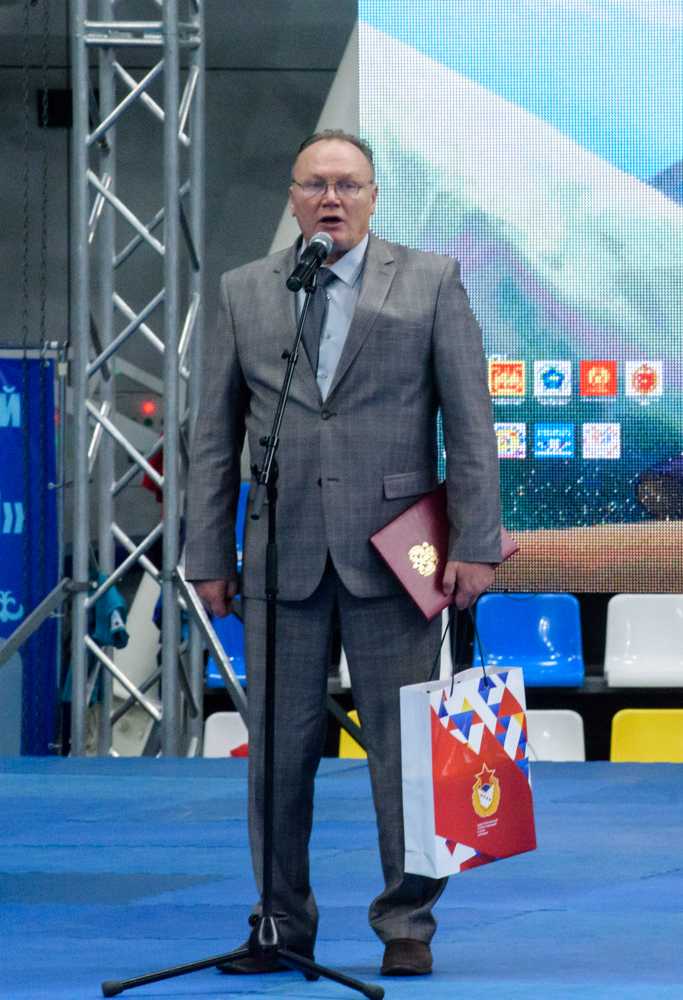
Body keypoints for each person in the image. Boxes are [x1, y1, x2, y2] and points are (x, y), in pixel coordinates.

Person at [185, 130, 502, 977]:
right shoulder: (245, 290)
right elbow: (213, 437)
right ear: (293, 198)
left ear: (373, 196)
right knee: (277, 758)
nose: (332, 198)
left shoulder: (431, 280)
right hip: (279, 556)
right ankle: (281, 924)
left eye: (348, 185)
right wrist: (208, 551)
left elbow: (471, 425)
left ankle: (407, 924)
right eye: (316, 184)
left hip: (398, 557)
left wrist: (476, 543)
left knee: (403, 756)